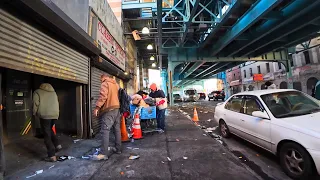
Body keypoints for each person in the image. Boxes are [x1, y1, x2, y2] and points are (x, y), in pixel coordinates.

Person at [93, 74, 121, 160]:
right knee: (117, 129)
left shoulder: (105, 83)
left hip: (109, 109)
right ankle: (118, 149)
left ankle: (103, 153)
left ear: (103, 78)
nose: (100, 81)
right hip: (117, 108)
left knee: (105, 130)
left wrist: (97, 107)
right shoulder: (116, 84)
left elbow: (103, 96)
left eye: (100, 79)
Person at [33, 83, 61, 162]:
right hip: (54, 114)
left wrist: (34, 113)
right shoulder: (53, 92)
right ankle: (57, 144)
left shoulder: (37, 92)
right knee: (49, 129)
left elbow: (35, 103)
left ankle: (51, 155)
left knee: (46, 134)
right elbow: (57, 103)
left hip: (45, 115)